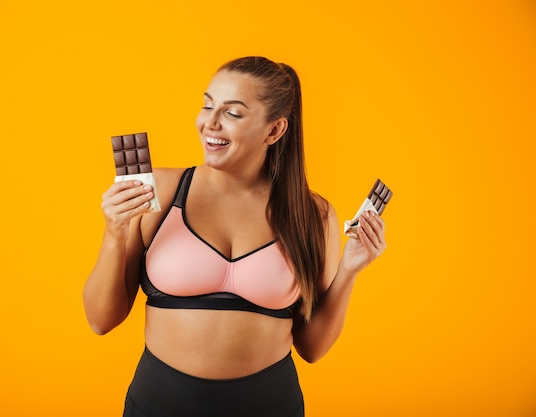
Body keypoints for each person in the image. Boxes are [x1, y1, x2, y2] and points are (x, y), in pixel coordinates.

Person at [83, 56, 387, 417]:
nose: (209, 123)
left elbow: (313, 348)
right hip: (158, 406)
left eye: (233, 113)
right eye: (207, 105)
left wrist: (349, 270)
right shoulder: (159, 193)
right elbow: (101, 320)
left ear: (274, 131)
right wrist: (115, 233)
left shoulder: (313, 215)